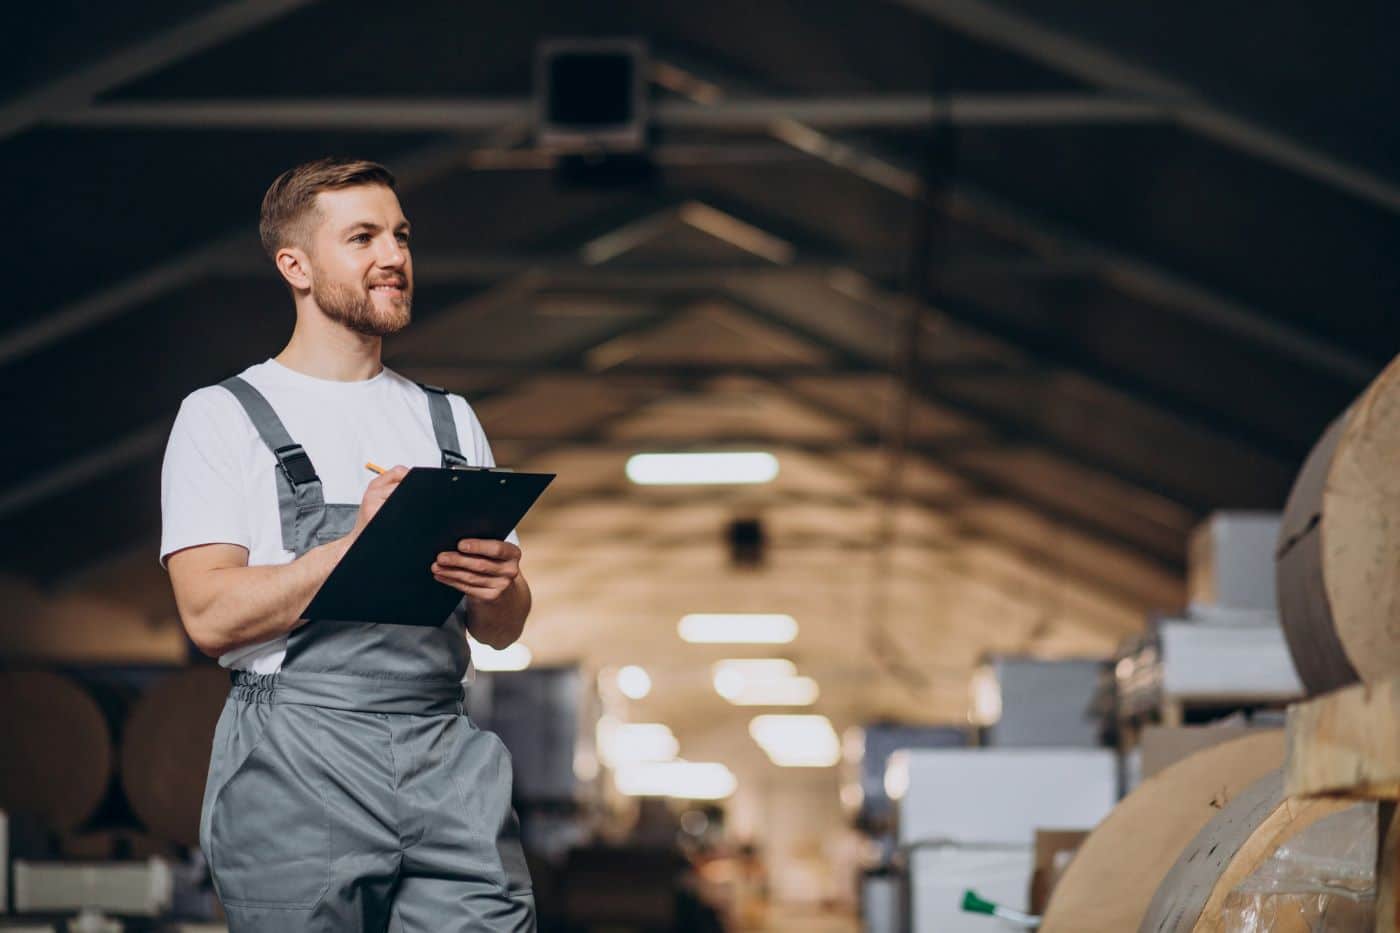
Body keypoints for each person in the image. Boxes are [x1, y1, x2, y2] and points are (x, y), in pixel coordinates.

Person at [160, 157, 535, 931]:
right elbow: (208, 616)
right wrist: (360, 544)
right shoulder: (223, 416)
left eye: (399, 236)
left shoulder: (450, 420)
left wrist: (503, 589)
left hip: (442, 745)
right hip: (296, 756)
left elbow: (500, 629)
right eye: (361, 237)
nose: (393, 257)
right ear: (293, 265)